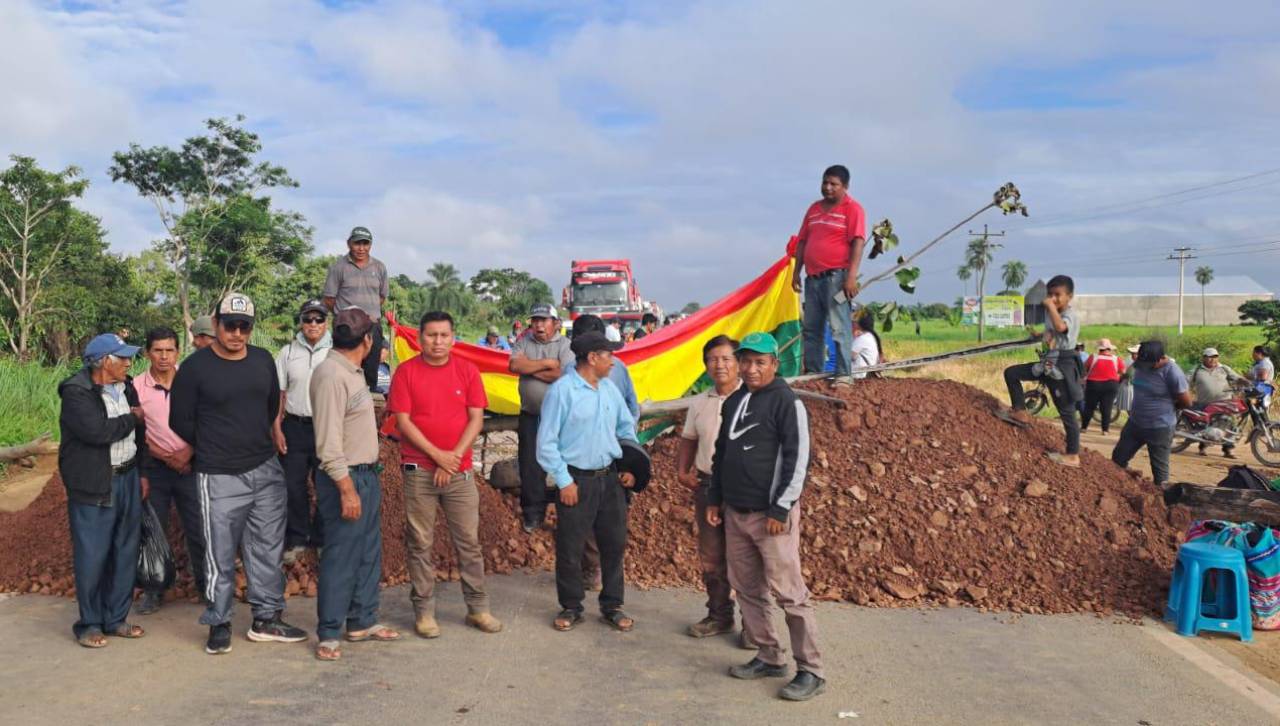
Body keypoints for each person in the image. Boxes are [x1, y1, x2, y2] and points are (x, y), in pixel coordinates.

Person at [170, 292, 308, 655]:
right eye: (230, 325)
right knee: (219, 552)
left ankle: (266, 618)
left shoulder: (262, 360)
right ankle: (219, 621)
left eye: (244, 326)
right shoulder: (195, 368)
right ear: (216, 325)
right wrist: (215, 444)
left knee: (266, 548)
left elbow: (268, 408)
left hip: (264, 469)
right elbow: (179, 420)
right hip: (218, 475)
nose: (236, 333)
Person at [706, 331, 825, 702]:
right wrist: (716, 498)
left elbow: (797, 458)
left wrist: (781, 508)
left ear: (775, 364)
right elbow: (721, 453)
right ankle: (770, 655)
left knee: (790, 594)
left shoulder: (786, 402)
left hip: (770, 516)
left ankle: (811, 670)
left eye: (760, 362)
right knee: (747, 589)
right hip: (735, 513)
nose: (751, 369)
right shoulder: (736, 399)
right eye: (746, 361)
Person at [389, 311, 503, 639]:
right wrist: (437, 456)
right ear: (420, 338)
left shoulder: (467, 371)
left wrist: (450, 460)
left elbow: (476, 419)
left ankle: (478, 609)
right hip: (419, 471)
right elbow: (404, 422)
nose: (437, 342)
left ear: (454, 337)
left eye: (443, 335)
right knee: (420, 541)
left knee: (468, 542)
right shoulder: (406, 373)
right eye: (431, 335)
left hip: (460, 473)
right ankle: (424, 612)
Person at [310, 308, 400, 660]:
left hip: (364, 474)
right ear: (368, 340)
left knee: (365, 551)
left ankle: (362, 621)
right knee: (341, 554)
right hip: (344, 477)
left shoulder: (350, 372)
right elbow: (328, 443)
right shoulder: (333, 375)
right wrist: (346, 489)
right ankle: (330, 631)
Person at [537, 331, 639, 633]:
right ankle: (571, 606)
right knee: (570, 546)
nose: (613, 362)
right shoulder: (562, 392)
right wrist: (564, 481)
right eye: (608, 355)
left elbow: (625, 428)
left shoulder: (609, 390)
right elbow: (546, 443)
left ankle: (612, 605)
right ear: (592, 358)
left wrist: (630, 467)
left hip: (610, 479)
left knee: (614, 543)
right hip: (576, 480)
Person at [58, 334, 147, 648]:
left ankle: (116, 619)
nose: (127, 363)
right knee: (93, 554)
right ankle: (89, 623)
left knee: (125, 550)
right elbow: (97, 431)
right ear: (103, 362)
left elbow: (141, 435)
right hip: (95, 482)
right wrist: (132, 417)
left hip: (128, 476)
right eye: (121, 358)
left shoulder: (127, 386)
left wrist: (142, 472)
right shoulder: (76, 392)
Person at [677, 335, 747, 641]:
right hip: (707, 487)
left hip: (744, 489)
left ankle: (755, 627)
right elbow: (689, 439)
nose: (719, 365)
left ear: (738, 364)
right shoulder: (699, 403)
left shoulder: (752, 399)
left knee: (747, 557)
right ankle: (719, 616)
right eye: (712, 360)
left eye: (726, 359)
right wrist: (682, 470)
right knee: (712, 556)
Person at [135, 327, 206, 615]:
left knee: (200, 528)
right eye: (157, 350)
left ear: (178, 352)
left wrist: (189, 451)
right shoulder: (137, 387)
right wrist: (165, 456)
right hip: (156, 469)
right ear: (147, 353)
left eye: (169, 350)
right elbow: (137, 433)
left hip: (192, 464)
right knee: (155, 530)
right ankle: (155, 590)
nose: (163, 356)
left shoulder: (192, 381)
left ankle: (206, 587)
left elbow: (207, 420)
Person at [998, 275, 1083, 467]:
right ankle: (1019, 411)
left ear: (1069, 296)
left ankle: (1072, 455)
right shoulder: (1051, 313)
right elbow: (1052, 332)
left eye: (1057, 295)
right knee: (1011, 373)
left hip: (1062, 366)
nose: (1052, 298)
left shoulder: (1069, 315)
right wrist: (1039, 335)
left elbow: (1061, 327)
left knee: (1067, 412)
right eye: (1050, 294)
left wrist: (1051, 307)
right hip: (1048, 363)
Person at [791, 164, 867, 379]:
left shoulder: (853, 209)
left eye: (834, 184)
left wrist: (851, 277)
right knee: (812, 328)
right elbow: (803, 241)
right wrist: (797, 272)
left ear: (845, 186)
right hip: (813, 278)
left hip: (837, 277)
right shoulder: (814, 209)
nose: (828, 187)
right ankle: (814, 373)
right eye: (825, 182)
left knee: (839, 327)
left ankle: (843, 374)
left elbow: (858, 243)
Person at [274, 299, 333, 563]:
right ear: (301, 322)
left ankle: (320, 538)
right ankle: (297, 538)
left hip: (325, 427)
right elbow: (279, 394)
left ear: (326, 322)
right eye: (308, 319)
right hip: (295, 427)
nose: (313, 324)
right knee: (292, 485)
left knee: (326, 485)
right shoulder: (287, 352)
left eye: (318, 319)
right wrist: (276, 428)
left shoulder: (335, 352)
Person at [509, 303, 576, 532]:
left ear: (556, 323)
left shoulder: (566, 345)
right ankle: (533, 515)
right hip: (531, 416)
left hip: (561, 419)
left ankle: (566, 513)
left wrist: (530, 369)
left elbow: (564, 375)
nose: (538, 324)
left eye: (543, 320)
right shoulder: (523, 341)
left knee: (565, 463)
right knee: (530, 465)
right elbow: (514, 364)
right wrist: (547, 364)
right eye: (535, 320)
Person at [1112, 340, 1191, 487]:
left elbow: (1186, 401)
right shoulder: (1141, 364)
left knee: (1160, 474)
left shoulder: (1172, 372)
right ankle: (1127, 483)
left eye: (1149, 364)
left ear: (1161, 358)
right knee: (1118, 459)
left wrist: (1169, 408)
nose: (1145, 367)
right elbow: (1127, 375)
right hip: (1135, 423)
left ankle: (1161, 504)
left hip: (1160, 427)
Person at [323, 226, 389, 392]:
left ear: (370, 245)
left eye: (365, 243)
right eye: (357, 243)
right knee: (345, 368)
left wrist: (366, 317)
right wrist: (347, 317)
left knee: (371, 371)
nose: (361, 248)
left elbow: (381, 297)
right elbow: (329, 299)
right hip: (346, 327)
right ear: (349, 244)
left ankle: (369, 408)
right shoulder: (338, 267)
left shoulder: (379, 267)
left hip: (372, 326)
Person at [1188, 347, 1247, 459]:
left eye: (1215, 357)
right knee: (1204, 426)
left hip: (1224, 403)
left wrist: (1246, 382)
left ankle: (1228, 449)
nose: (1212, 359)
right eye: (1209, 357)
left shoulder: (1224, 369)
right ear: (1203, 358)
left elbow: (1237, 378)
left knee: (1230, 423)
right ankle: (1203, 447)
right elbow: (1185, 380)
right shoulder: (1196, 370)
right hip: (1205, 403)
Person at [1081, 339, 1126, 436]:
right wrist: (1117, 376)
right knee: (1107, 407)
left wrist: (1084, 378)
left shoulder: (1093, 357)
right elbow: (1123, 372)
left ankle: (1084, 428)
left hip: (1093, 384)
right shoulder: (1116, 359)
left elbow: (1084, 369)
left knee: (1089, 406)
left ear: (1100, 349)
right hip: (1111, 385)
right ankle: (1105, 430)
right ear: (1109, 349)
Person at [849, 310, 882, 379]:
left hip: (858, 376)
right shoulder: (869, 336)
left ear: (858, 324)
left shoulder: (862, 339)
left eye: (853, 322)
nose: (851, 323)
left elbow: (848, 357)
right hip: (863, 374)